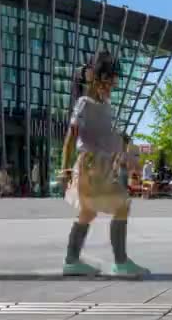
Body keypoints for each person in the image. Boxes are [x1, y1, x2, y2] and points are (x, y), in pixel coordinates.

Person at [57, 51, 148, 276]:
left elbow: (106, 137)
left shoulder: (105, 105)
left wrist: (122, 149)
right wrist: (64, 168)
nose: (110, 88)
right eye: (108, 83)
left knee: (88, 212)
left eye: (113, 85)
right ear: (96, 79)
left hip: (101, 164)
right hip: (90, 164)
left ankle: (71, 260)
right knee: (122, 205)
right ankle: (120, 262)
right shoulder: (84, 103)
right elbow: (71, 137)